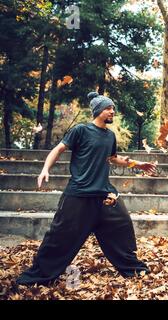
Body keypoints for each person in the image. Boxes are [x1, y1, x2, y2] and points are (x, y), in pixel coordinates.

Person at [16, 92, 157, 285]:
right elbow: (58, 149)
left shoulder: (110, 136)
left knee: (122, 228)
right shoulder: (81, 130)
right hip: (79, 194)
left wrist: (138, 164)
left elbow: (114, 158)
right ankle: (40, 274)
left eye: (113, 108)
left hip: (105, 194)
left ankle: (133, 269)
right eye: (109, 108)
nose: (112, 111)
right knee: (60, 237)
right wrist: (45, 169)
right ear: (99, 110)